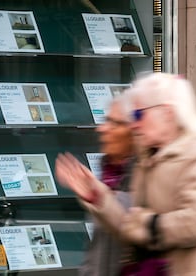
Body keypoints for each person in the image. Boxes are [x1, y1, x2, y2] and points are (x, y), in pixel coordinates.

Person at [55, 72, 196, 275]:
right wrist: (97, 196)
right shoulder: (148, 158)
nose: (135, 124)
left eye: (139, 114)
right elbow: (129, 228)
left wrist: (149, 224)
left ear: (167, 113)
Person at [78, 95, 136, 276]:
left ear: (135, 133)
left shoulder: (147, 176)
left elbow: (131, 226)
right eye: (105, 121)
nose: (102, 129)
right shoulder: (109, 173)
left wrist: (100, 198)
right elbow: (96, 248)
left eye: (114, 123)